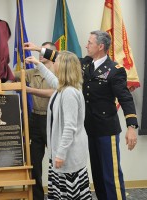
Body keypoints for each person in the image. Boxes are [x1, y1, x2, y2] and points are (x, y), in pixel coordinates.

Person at [24, 30, 138, 200]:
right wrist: (38, 49)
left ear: (100, 46)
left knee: (111, 176)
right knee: (98, 176)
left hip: (106, 130)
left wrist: (132, 127)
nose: (86, 45)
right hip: (88, 128)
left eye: (90, 42)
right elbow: (63, 58)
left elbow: (125, 97)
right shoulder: (85, 63)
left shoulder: (115, 70)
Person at [25, 51, 92, 199]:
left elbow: (70, 127)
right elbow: (52, 80)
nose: (53, 63)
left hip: (69, 154)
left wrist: (60, 154)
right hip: (63, 153)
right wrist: (38, 64)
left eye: (56, 62)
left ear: (63, 67)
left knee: (70, 194)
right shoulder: (63, 87)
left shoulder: (69, 93)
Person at [14, 42, 56, 200]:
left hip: (52, 120)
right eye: (40, 51)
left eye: (45, 52)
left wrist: (30, 90)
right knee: (34, 162)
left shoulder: (59, 73)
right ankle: (38, 196)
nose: (41, 54)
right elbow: (11, 75)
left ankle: (56, 194)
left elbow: (52, 92)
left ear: (53, 56)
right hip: (35, 120)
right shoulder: (32, 73)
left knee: (57, 160)